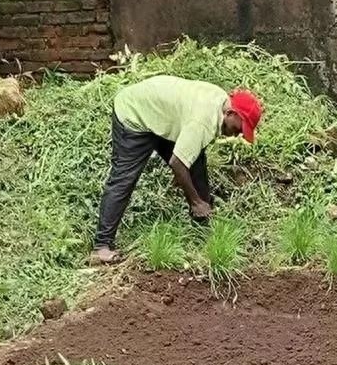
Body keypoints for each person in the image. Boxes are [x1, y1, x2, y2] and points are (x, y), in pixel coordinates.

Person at [89, 75, 263, 263]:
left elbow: (188, 154)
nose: (239, 134)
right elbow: (177, 163)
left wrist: (184, 175)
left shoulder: (220, 101)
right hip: (135, 112)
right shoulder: (203, 121)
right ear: (231, 113)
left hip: (161, 113)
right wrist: (195, 200)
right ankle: (101, 246)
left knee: (196, 165)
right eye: (240, 127)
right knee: (124, 179)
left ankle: (201, 236)